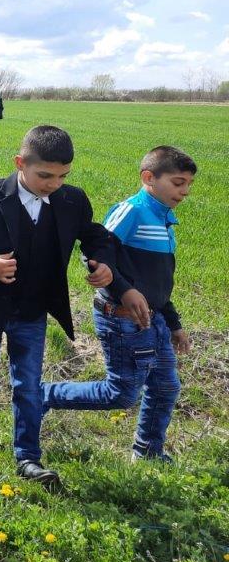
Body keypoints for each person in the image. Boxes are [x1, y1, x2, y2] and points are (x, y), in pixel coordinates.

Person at [0, 126, 116, 486]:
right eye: (44, 175)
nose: (53, 184)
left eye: (62, 176)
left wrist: (102, 260)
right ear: (20, 163)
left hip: (33, 311)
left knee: (28, 384)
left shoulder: (72, 200)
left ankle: (28, 457)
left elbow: (94, 236)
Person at [41, 146, 197, 462]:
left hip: (155, 321)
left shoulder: (165, 220)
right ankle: (41, 394)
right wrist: (123, 289)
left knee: (166, 387)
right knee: (121, 393)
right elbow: (97, 251)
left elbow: (158, 283)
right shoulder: (133, 211)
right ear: (148, 177)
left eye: (188, 185)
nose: (185, 191)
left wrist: (174, 323)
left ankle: (148, 452)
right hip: (123, 319)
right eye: (178, 182)